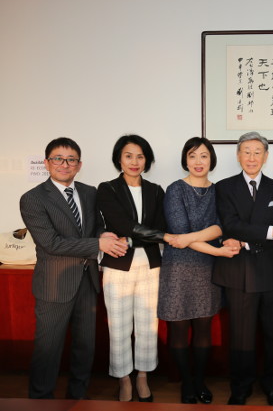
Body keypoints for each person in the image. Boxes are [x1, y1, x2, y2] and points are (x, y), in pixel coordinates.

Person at [20, 137, 128, 399]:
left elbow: (96, 227)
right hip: (54, 286)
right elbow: (51, 244)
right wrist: (98, 244)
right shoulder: (32, 199)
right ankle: (40, 400)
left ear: (79, 165)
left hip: (87, 282)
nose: (64, 164)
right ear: (46, 163)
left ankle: (77, 398)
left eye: (71, 160)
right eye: (58, 159)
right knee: (48, 350)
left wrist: (108, 237)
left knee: (84, 349)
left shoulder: (90, 192)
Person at [213, 132, 273, 406]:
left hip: (272, 271)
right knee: (241, 335)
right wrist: (269, 232)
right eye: (246, 151)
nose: (251, 157)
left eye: (257, 152)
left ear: (266, 156)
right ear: (238, 155)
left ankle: (272, 385)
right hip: (239, 270)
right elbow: (231, 224)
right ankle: (241, 386)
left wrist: (260, 234)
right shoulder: (224, 188)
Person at [158, 137, 240, 404]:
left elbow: (220, 226)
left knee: (204, 328)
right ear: (185, 160)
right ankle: (186, 383)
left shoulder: (220, 191)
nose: (198, 161)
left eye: (203, 156)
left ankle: (200, 380)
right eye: (192, 156)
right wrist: (216, 249)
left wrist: (193, 239)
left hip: (206, 269)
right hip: (178, 267)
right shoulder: (174, 189)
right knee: (180, 330)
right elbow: (179, 232)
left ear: (211, 160)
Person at [97, 134, 172, 402]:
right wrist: (142, 235)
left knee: (147, 325)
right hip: (118, 266)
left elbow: (161, 229)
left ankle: (142, 377)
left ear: (147, 160)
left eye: (140, 156)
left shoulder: (156, 190)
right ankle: (124, 379)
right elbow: (121, 222)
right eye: (129, 156)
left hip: (151, 265)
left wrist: (130, 239)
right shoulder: (108, 189)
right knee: (118, 326)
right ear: (119, 158)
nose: (134, 161)